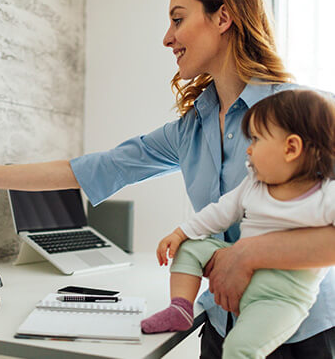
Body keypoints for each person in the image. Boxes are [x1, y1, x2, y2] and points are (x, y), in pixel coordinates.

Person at [0, 0, 335, 358]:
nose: (166, 38)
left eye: (178, 19)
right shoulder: (190, 130)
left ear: (223, 17)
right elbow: (92, 168)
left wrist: (247, 255)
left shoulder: (310, 116)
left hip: (305, 334)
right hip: (223, 326)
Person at [140, 89, 335, 358]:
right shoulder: (253, 185)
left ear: (291, 148)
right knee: (191, 246)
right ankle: (180, 308)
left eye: (255, 138)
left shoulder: (326, 195)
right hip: (236, 274)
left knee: (239, 348)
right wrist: (180, 233)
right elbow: (219, 212)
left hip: (280, 298)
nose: (248, 148)